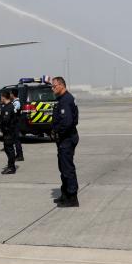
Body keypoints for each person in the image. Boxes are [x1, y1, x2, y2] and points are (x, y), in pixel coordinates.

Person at [50, 77, 79, 207]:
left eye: (54, 86)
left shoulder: (66, 100)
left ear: (61, 85)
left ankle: (72, 197)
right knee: (63, 168)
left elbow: (67, 123)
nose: (52, 88)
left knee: (67, 169)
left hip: (66, 138)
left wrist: (57, 132)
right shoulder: (62, 99)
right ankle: (65, 194)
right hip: (64, 139)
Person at [0, 91, 16, 175]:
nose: (0, 99)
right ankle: (11, 165)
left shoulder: (8, 107)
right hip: (7, 131)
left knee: (9, 149)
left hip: (8, 131)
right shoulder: (6, 106)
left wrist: (4, 128)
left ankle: (11, 167)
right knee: (7, 149)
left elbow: (6, 120)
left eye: (1, 97)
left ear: (4, 97)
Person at [10, 89, 24, 161]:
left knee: (17, 140)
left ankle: (20, 155)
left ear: (13, 94)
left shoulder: (16, 103)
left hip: (16, 123)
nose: (10, 95)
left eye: (10, 94)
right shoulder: (14, 102)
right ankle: (18, 154)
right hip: (15, 123)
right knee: (15, 140)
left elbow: (14, 111)